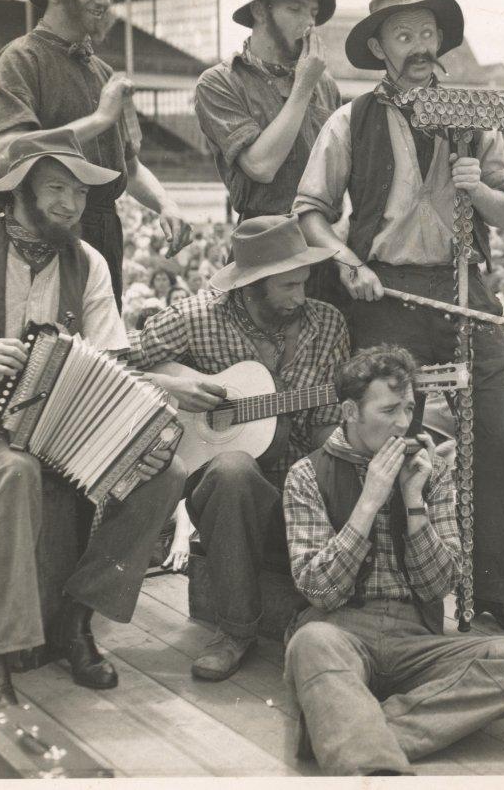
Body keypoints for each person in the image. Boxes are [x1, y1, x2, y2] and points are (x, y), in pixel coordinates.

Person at [0, 130, 186, 711]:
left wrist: (154, 418)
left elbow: (114, 367)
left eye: (80, 192)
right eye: (56, 188)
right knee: (14, 473)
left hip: (61, 425)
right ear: (18, 193)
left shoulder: (88, 264)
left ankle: (76, 619)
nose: (70, 203)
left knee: (164, 470)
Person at [295, 0, 504, 635]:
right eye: (403, 36)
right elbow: (310, 213)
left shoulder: (473, 112)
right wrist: (346, 263)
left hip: (463, 285)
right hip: (384, 292)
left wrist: (476, 189)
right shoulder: (350, 121)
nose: (419, 47)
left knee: (495, 436)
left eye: (427, 34)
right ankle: (396, 590)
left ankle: (500, 592)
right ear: (378, 46)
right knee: (385, 440)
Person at [282, 346, 504, 776]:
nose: (403, 423)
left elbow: (438, 585)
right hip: (341, 630)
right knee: (310, 643)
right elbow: (319, 588)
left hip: (418, 636)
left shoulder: (430, 473)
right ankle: (374, 767)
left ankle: (344, 729)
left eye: (408, 409)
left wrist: (413, 501)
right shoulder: (306, 475)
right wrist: (369, 501)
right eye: (388, 410)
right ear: (350, 410)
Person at [130, 216, 349, 680]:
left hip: (300, 480)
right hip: (221, 487)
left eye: (303, 282)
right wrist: (170, 387)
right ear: (251, 286)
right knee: (233, 468)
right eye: (287, 287)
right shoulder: (195, 318)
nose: (300, 297)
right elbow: (110, 362)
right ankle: (235, 631)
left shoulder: (328, 324)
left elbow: (327, 425)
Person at [0, 0, 191, 307]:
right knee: (42, 351)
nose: (104, 0)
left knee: (100, 353)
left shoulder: (103, 72)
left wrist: (166, 205)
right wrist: (98, 119)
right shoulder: (20, 58)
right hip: (41, 228)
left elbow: (129, 165)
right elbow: (6, 154)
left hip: (103, 230)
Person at [194, 0, 340, 226]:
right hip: (264, 240)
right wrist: (303, 86)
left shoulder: (326, 83)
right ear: (260, 11)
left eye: (313, 12)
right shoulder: (219, 82)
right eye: (295, 10)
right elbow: (260, 167)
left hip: (325, 237)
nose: (309, 22)